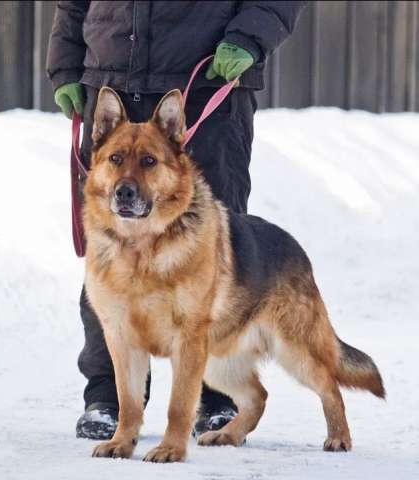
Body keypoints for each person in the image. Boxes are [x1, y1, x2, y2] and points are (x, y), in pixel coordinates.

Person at [47, 0, 306, 441]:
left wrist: (249, 36)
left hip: (206, 81)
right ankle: (109, 399)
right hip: (111, 79)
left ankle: (218, 396)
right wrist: (64, 64)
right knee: (110, 256)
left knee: (215, 261)